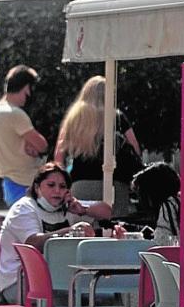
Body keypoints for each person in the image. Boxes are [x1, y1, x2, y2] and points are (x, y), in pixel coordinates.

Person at [0, 163, 113, 304]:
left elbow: (107, 212)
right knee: (71, 302)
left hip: (61, 279)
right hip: (20, 281)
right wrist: (71, 230)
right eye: (51, 185)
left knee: (110, 296)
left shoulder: (69, 207)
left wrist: (83, 210)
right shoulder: (23, 208)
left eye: (62, 187)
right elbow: (33, 243)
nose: (57, 191)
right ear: (37, 188)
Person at [53, 75, 143, 216]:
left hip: (80, 183)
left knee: (83, 229)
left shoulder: (75, 117)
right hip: (114, 185)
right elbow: (135, 148)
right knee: (114, 230)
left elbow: (59, 156)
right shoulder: (117, 117)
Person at [0, 65, 48, 206]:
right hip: (24, 181)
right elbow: (42, 145)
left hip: (10, 182)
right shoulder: (14, 113)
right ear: (26, 88)